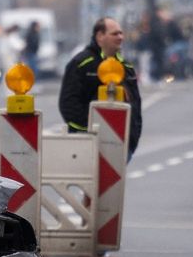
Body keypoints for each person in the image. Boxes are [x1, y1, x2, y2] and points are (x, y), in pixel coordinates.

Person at [59, 16, 144, 158]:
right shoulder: (82, 64)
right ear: (100, 36)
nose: (120, 37)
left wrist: (133, 138)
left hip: (123, 146)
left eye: (121, 33)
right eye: (115, 34)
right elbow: (69, 104)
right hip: (88, 145)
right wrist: (88, 132)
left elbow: (135, 104)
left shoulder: (126, 66)